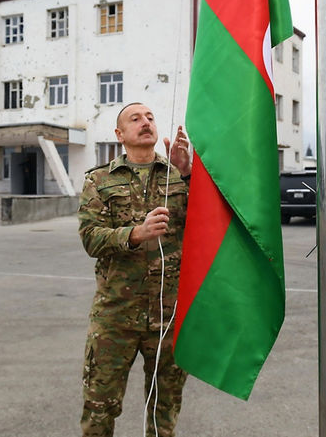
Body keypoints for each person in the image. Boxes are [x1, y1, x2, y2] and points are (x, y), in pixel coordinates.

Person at [77, 102, 192, 437]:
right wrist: (135, 234)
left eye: (151, 118)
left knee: (164, 413)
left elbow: (210, 227)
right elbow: (90, 238)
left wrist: (188, 174)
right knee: (99, 410)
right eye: (135, 118)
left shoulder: (178, 175)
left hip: (168, 317)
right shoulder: (99, 180)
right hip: (115, 317)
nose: (146, 122)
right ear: (119, 134)